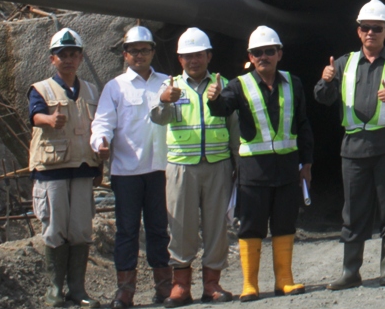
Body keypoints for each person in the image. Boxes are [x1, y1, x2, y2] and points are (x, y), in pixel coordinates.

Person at [315, 0, 385, 290]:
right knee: (354, 210)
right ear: (358, 31)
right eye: (366, 28)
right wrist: (326, 82)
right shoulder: (343, 64)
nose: (371, 33)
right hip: (355, 148)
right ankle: (351, 271)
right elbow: (322, 98)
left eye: (377, 28)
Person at [207, 26, 314, 301]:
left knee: (284, 223)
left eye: (269, 51)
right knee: (251, 226)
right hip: (254, 171)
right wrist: (214, 99)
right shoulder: (238, 85)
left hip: (288, 168)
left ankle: (285, 281)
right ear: (250, 57)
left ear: (279, 54)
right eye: (257, 52)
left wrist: (307, 163)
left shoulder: (294, 83)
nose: (263, 56)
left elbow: (303, 125)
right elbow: (223, 109)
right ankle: (250, 284)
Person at [150, 27, 237, 307]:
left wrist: (239, 163)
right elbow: (159, 119)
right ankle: (180, 286)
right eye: (187, 56)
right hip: (181, 168)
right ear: (180, 59)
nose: (193, 61)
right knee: (181, 227)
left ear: (209, 56)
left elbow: (233, 125)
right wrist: (165, 101)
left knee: (216, 226)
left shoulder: (222, 84)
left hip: (217, 165)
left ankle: (212, 284)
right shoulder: (171, 86)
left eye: (198, 55)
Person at [90, 26, 172, 309]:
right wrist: (101, 141)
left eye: (144, 50)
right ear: (125, 55)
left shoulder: (167, 84)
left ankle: (165, 287)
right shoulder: (116, 87)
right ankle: (125, 291)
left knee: (159, 229)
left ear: (152, 52)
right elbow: (103, 122)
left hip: (160, 168)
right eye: (134, 51)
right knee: (126, 231)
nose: (139, 55)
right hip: (126, 171)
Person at [29, 27, 102, 308]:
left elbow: (98, 127)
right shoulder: (40, 89)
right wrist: (49, 120)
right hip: (52, 169)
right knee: (55, 228)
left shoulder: (91, 90)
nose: (68, 60)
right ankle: (55, 290)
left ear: (81, 58)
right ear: (53, 60)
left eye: (73, 54)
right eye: (63, 55)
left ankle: (78, 289)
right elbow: (34, 114)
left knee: (81, 229)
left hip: (83, 166)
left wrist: (100, 164)